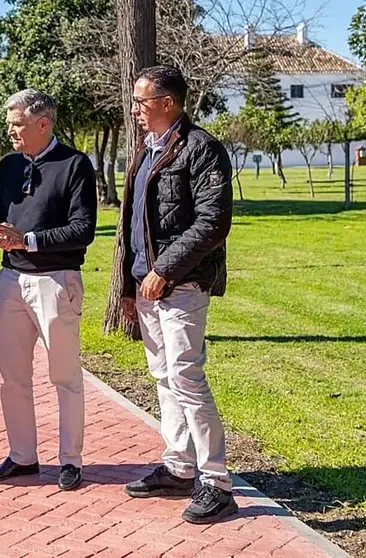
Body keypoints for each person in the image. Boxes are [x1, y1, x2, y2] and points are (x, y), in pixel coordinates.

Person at [117, 64, 237, 524]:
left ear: (167, 103)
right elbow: (134, 225)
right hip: (149, 288)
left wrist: (164, 270)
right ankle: (179, 466)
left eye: (142, 102)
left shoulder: (201, 148)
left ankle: (217, 482)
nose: (135, 110)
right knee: (165, 378)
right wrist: (131, 285)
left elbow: (213, 222)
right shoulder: (147, 151)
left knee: (187, 378)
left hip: (182, 285)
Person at [0, 89, 97, 491]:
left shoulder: (75, 165)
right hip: (10, 280)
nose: (11, 131)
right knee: (12, 377)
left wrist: (27, 240)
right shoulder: (8, 165)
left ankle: (71, 461)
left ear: (43, 123)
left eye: (18, 124)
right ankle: (22, 456)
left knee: (64, 376)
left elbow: (83, 229)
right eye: (10, 123)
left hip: (55, 280)